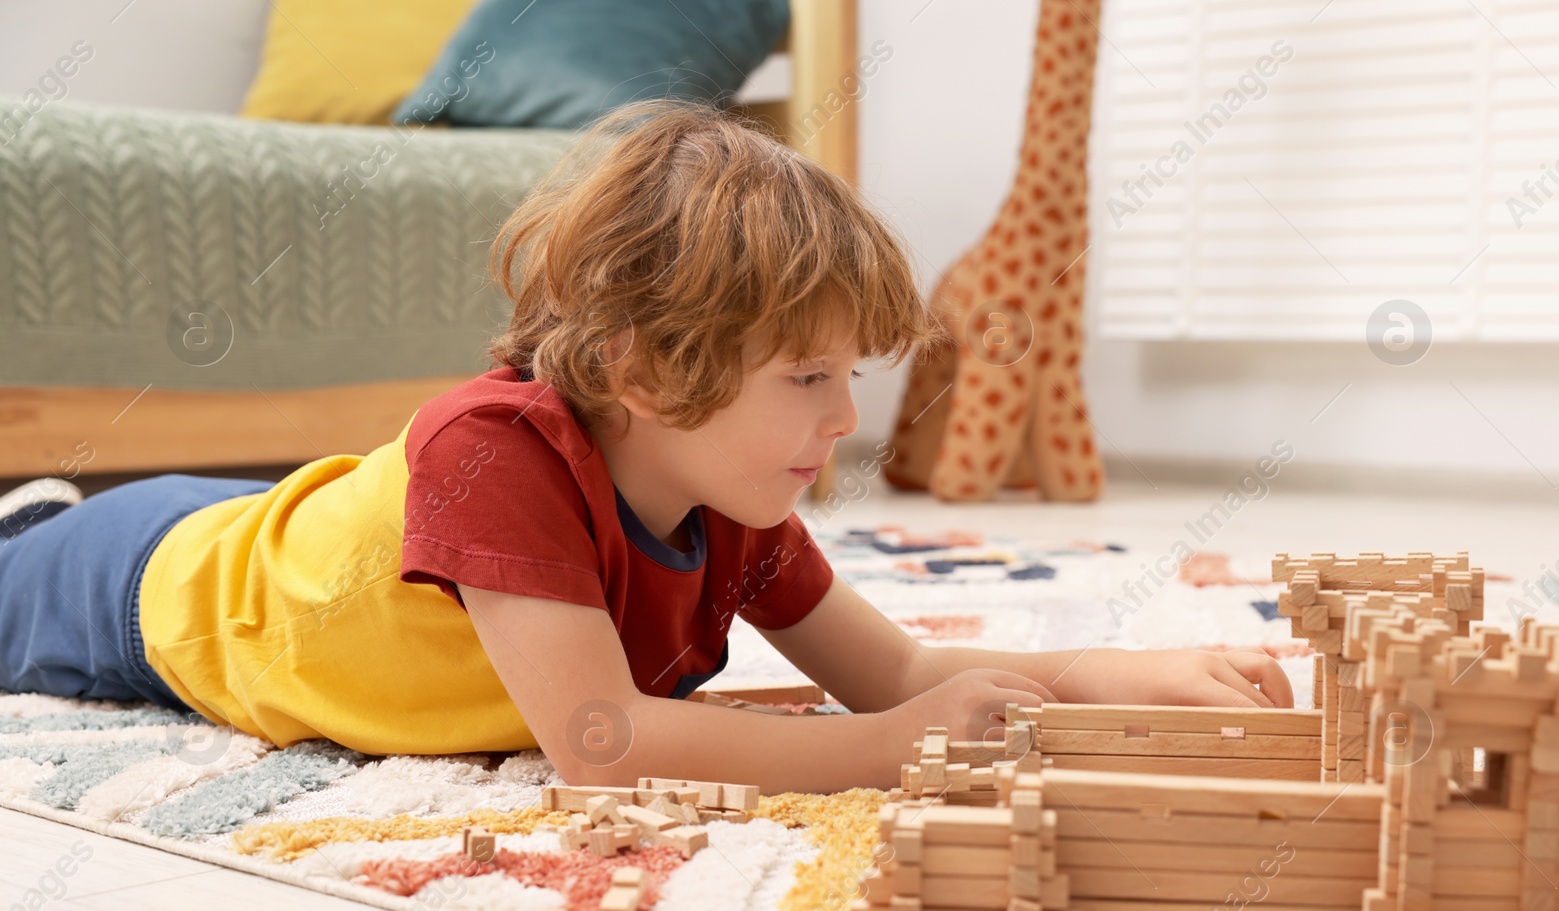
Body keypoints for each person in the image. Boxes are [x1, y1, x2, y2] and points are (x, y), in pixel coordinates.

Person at [0, 99, 1290, 794]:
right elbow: (602, 744)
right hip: (148, 593)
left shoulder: (729, 498)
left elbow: (895, 671)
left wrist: (1116, 673)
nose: (847, 420)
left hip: (242, 527)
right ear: (642, 369)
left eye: (848, 376)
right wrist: (877, 759)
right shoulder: (488, 450)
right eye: (806, 377)